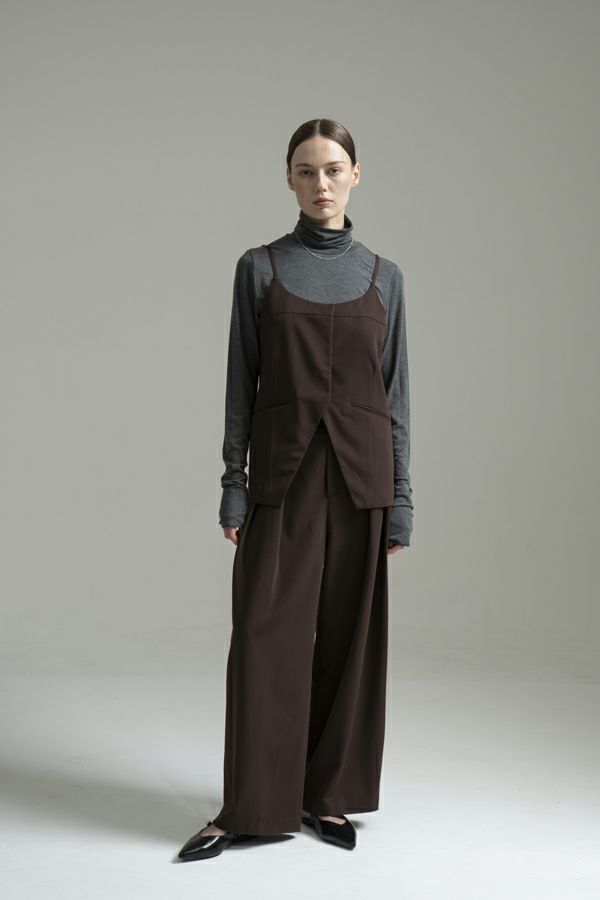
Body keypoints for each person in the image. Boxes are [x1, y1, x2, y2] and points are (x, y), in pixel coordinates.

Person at [178, 118, 413, 862]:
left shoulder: (385, 276)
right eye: (306, 171)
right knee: (264, 638)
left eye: (334, 169)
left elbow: (395, 396)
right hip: (281, 477)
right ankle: (249, 807)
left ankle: (327, 795)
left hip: (362, 479)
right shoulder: (260, 269)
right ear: (288, 179)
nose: (321, 183)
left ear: (356, 175)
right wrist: (234, 484)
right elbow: (239, 387)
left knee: (349, 641)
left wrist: (403, 498)